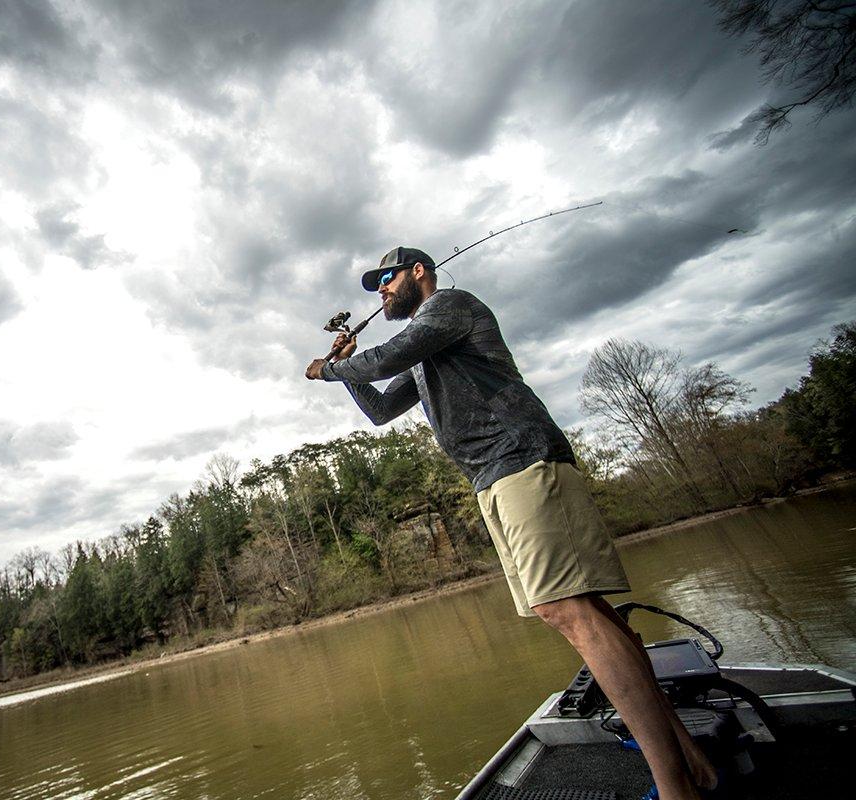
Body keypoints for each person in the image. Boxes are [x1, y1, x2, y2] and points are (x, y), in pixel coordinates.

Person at [304, 247, 717, 800]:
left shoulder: (449, 307)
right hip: (491, 479)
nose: (380, 290)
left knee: (567, 608)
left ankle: (675, 789)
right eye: (375, 284)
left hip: (522, 459)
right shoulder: (429, 357)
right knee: (578, 611)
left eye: (386, 278)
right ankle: (691, 763)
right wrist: (346, 371)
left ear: (417, 273)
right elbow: (381, 408)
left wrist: (331, 369)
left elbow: (384, 359)